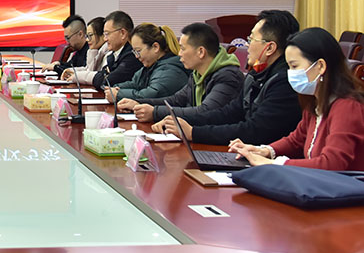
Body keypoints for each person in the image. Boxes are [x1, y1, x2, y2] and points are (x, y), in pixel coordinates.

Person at [229, 27, 364, 170]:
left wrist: (272, 163)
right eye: (288, 67)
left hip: (345, 184)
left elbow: (332, 163)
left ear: (320, 66)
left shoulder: (347, 107)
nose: (290, 73)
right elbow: (296, 140)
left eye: (294, 66)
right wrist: (263, 151)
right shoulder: (315, 101)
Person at [163, 10, 301, 146]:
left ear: (269, 48)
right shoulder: (256, 75)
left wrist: (194, 133)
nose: (247, 44)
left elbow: (255, 131)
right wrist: (180, 121)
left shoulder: (284, 82)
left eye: (251, 39)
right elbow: (229, 113)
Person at [119, 22, 244, 125]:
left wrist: (155, 112)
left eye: (183, 49)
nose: (179, 54)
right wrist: (139, 103)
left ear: (201, 52)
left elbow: (206, 111)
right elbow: (176, 100)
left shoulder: (228, 76)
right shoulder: (197, 74)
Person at [105, 23, 189, 104]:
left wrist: (118, 95)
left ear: (155, 47)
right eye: (134, 52)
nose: (136, 56)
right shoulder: (150, 67)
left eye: (138, 51)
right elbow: (135, 84)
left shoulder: (170, 70)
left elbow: (152, 95)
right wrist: (117, 88)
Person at [86, 11, 141, 91]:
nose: (105, 39)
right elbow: (101, 76)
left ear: (123, 33)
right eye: (104, 34)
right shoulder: (112, 55)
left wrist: (102, 78)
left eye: (107, 34)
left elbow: (107, 82)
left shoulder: (132, 55)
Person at [60, 17, 108, 82]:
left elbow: (99, 76)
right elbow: (88, 69)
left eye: (90, 35)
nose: (87, 39)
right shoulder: (94, 50)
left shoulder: (108, 54)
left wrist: (76, 76)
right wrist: (71, 70)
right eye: (87, 36)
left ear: (103, 36)